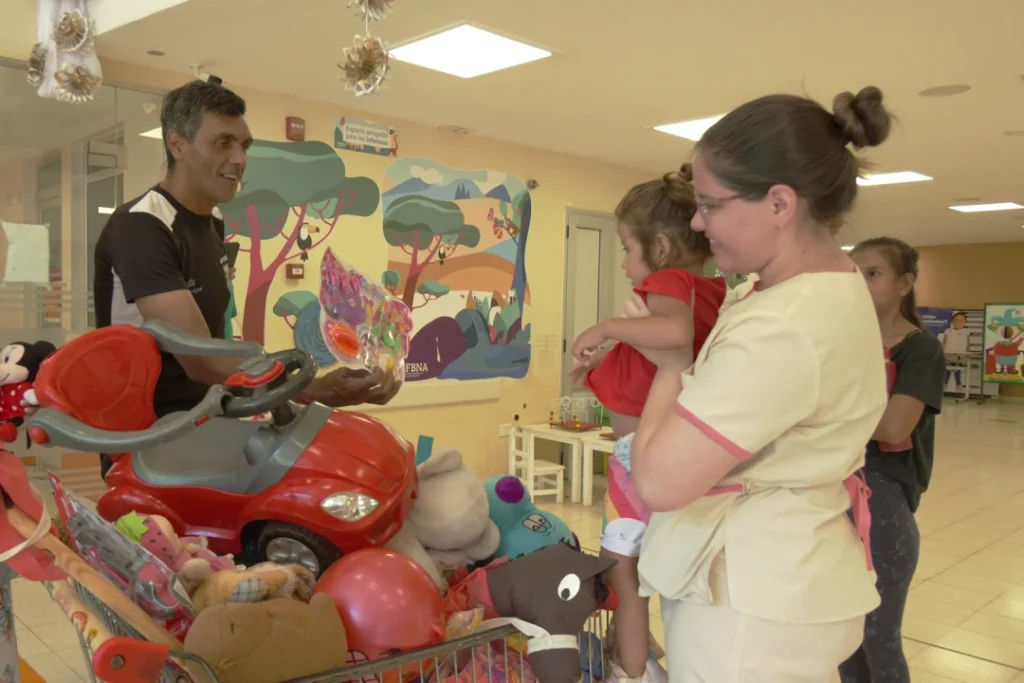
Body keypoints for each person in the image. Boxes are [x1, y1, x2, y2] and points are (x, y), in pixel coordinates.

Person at [624, 86, 894, 682]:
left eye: (711, 204)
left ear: (779, 204)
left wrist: (670, 366)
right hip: (781, 580)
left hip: (751, 613)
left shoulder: (786, 325)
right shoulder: (809, 287)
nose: (698, 222)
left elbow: (660, 480)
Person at [93, 80, 398, 477]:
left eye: (244, 146)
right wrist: (313, 390)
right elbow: (202, 359)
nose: (239, 159)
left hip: (206, 420)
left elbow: (220, 342)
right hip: (147, 442)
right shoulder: (142, 226)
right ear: (177, 144)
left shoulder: (212, 224)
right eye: (222, 143)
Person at [570, 176, 726, 683]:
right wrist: (597, 366)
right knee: (665, 572)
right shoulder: (716, 293)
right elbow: (655, 363)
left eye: (626, 248)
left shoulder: (666, 285)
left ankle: (633, 671)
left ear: (659, 248)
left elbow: (672, 337)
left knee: (623, 574)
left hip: (638, 459)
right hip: (678, 454)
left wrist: (608, 326)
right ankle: (647, 657)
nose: (623, 262)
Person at [838, 238, 943, 681]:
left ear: (905, 283)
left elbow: (894, 427)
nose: (860, 282)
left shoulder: (920, 349)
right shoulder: (842, 341)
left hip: (882, 500)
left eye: (874, 273)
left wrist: (827, 412)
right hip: (832, 494)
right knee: (843, 639)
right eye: (854, 271)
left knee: (879, 638)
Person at [941, 311, 969, 390]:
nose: (958, 322)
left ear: (964, 322)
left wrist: (967, 353)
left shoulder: (966, 331)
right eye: (956, 320)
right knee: (948, 369)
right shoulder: (948, 331)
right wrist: (942, 352)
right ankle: (945, 383)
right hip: (949, 353)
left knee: (957, 369)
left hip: (960, 354)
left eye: (961, 320)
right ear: (952, 321)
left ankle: (958, 384)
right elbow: (944, 341)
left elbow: (968, 343)